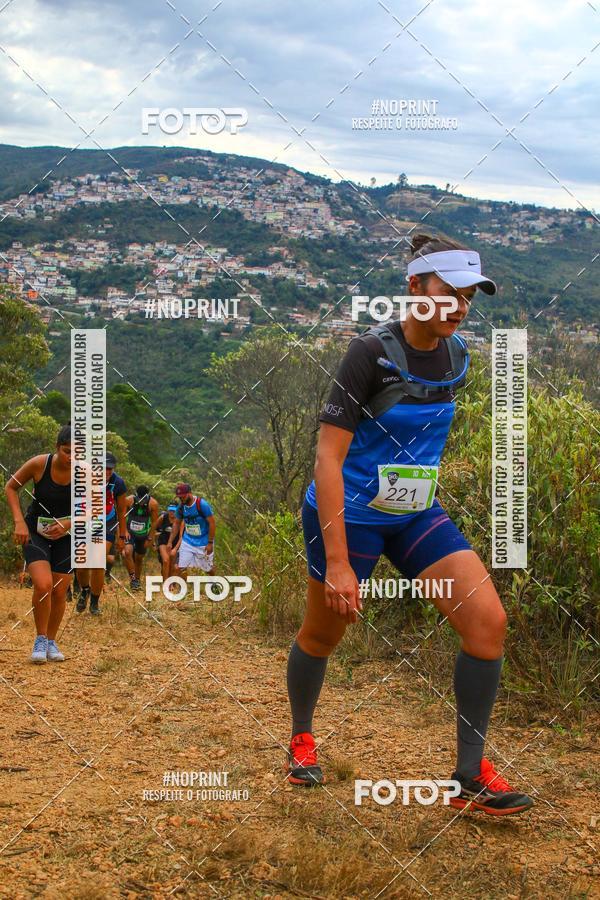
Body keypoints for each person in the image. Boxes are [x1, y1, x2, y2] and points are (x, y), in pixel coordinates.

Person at [286, 234, 534, 817]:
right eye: (449, 293)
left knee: (488, 624)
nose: (459, 307)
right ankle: (302, 739)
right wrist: (341, 562)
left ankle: (469, 777)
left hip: (416, 514)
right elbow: (327, 458)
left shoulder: (458, 356)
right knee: (323, 635)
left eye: (469, 297)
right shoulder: (368, 353)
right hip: (350, 514)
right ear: (415, 287)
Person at [5, 424, 72, 663]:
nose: (71, 457)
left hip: (68, 537)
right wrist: (19, 522)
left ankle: (52, 641)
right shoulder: (39, 464)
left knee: (60, 590)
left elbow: (95, 509)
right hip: (36, 532)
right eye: (66, 451)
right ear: (57, 448)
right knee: (43, 585)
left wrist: (70, 522)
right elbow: (11, 487)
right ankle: (40, 638)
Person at [76, 451, 127, 615]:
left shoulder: (118, 483)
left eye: (109, 469)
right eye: (102, 469)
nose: (106, 472)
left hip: (107, 522)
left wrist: (122, 535)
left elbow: (121, 509)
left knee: (98, 561)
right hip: (85, 520)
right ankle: (85, 590)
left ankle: (95, 602)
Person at [167, 483, 215, 576]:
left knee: (207, 569)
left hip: (203, 541)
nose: (181, 499)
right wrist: (170, 541)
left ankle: (214, 584)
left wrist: (210, 543)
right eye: (179, 497)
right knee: (182, 568)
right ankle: (186, 589)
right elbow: (176, 524)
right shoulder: (181, 507)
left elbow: (212, 523)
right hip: (188, 541)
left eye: (183, 497)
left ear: (189, 493)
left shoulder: (202, 504)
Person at [122, 485, 159, 590]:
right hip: (130, 532)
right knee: (128, 553)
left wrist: (150, 539)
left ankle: (137, 581)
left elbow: (154, 522)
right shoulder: (129, 500)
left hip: (143, 535)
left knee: (139, 558)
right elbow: (122, 516)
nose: (141, 501)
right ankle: (133, 579)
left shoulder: (153, 504)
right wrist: (124, 531)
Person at [156, 504, 178, 581]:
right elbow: (153, 529)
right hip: (163, 541)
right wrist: (153, 542)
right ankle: (166, 583)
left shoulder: (180, 520)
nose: (171, 512)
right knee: (165, 561)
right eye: (170, 510)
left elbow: (182, 535)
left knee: (172, 564)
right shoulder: (163, 517)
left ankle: (171, 582)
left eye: (173, 511)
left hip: (175, 543)